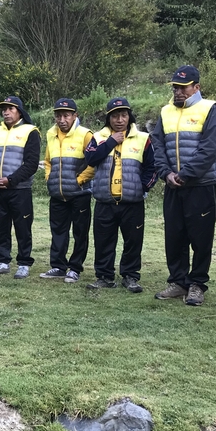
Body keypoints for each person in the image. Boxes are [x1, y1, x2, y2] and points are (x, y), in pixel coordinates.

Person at [151, 65, 216, 306]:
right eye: (175, 87)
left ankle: (197, 284)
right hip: (173, 186)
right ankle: (178, 282)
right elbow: (157, 146)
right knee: (175, 236)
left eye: (183, 87)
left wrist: (186, 174)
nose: (178, 91)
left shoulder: (209, 109)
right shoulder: (165, 111)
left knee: (201, 238)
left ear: (196, 87)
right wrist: (166, 173)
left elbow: (210, 148)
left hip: (201, 185)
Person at [83, 98, 157, 291]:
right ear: (109, 118)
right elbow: (90, 159)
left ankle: (130, 276)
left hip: (132, 203)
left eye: (123, 115)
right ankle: (104, 277)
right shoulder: (98, 137)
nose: (119, 120)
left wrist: (143, 187)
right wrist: (110, 142)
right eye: (115, 116)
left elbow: (152, 167)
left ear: (129, 117)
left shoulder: (143, 138)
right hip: (104, 201)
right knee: (103, 242)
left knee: (133, 242)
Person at [0, 95, 41, 279]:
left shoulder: (31, 131)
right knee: (0, 227)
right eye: (4, 109)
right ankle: (3, 261)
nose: (6, 112)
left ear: (19, 111)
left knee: (23, 227)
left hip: (19, 189)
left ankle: (23, 263)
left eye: (10, 109)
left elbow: (31, 164)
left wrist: (10, 180)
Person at [40, 97, 95, 283]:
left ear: (74, 116)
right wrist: (49, 177)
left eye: (66, 115)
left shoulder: (86, 134)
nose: (62, 120)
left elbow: (94, 162)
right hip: (57, 193)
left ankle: (75, 268)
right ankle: (58, 266)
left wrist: (80, 180)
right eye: (58, 116)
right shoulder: (50, 134)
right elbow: (48, 161)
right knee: (58, 231)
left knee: (80, 232)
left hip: (80, 194)